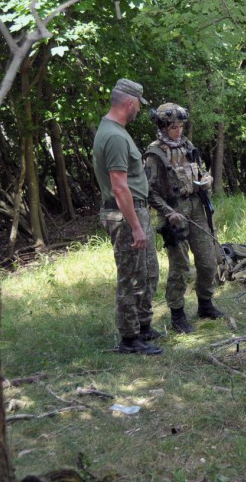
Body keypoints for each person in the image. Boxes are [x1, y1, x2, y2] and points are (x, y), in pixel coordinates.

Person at [93, 78, 163, 355]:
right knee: (131, 277)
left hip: (135, 210)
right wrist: (135, 226)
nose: (138, 112)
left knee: (147, 273)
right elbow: (119, 186)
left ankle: (143, 327)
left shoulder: (115, 131)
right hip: (125, 215)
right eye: (138, 107)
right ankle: (130, 339)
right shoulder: (113, 136)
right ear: (129, 103)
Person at [143, 102, 224, 332]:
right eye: (173, 127)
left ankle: (205, 304)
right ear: (162, 126)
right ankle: (177, 314)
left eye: (180, 126)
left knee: (208, 260)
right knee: (180, 266)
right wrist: (169, 213)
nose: (178, 131)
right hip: (173, 211)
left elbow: (200, 169)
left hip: (197, 206)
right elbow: (148, 191)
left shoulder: (187, 145)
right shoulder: (154, 153)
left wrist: (206, 179)